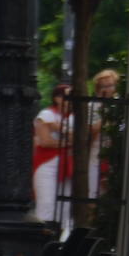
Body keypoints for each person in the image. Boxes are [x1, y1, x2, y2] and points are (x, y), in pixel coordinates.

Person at [33, 83, 74, 227]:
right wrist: (68, 141)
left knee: (65, 207)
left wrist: (57, 128)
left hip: (67, 164)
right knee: (47, 203)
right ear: (57, 98)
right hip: (47, 163)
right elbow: (44, 141)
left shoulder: (74, 118)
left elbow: (79, 138)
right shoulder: (47, 114)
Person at [87, 68, 120, 200]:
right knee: (93, 194)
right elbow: (91, 131)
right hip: (96, 154)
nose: (107, 89)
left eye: (110, 85)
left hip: (114, 154)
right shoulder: (93, 106)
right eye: (103, 86)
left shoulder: (119, 104)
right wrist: (105, 116)